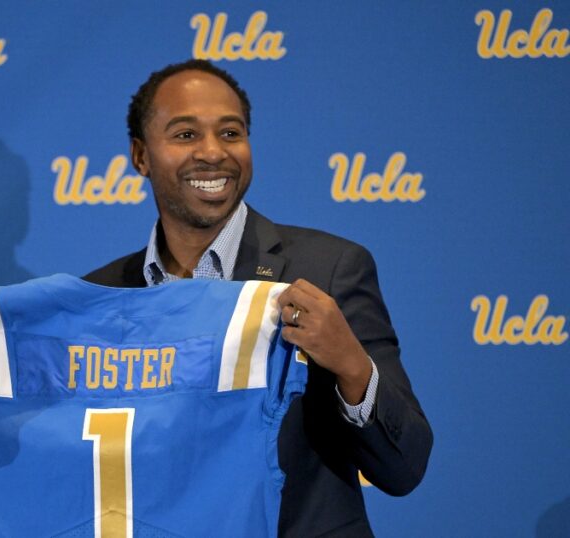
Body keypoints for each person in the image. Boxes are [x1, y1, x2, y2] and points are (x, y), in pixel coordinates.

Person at [84, 59, 432, 536]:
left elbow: (404, 468)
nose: (213, 154)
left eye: (231, 133)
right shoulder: (100, 296)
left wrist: (351, 364)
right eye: (185, 135)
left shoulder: (330, 269)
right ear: (141, 156)